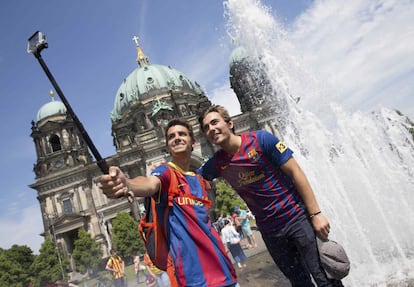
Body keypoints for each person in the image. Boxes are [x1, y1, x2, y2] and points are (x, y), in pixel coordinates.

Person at [198, 105, 336, 287]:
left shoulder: (261, 140)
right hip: (271, 232)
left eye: (214, 122)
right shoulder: (217, 163)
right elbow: (191, 179)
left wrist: (316, 214)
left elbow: (296, 172)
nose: (211, 129)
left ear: (230, 123)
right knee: (299, 282)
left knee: (324, 278)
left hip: (297, 219)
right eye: (206, 127)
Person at [99, 118, 239, 287]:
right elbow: (149, 183)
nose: (177, 138)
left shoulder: (200, 179)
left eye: (182, 134)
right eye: (171, 136)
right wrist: (128, 184)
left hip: (225, 272)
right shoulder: (165, 172)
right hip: (195, 280)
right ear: (167, 146)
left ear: (193, 142)